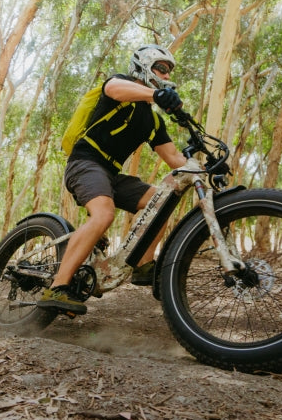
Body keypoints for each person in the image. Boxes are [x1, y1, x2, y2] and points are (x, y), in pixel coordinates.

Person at [37, 44, 188, 315]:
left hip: (111, 175)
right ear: (143, 67)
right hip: (84, 163)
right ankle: (57, 287)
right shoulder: (120, 86)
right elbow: (114, 89)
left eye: (168, 72)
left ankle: (143, 264)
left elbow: (175, 159)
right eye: (161, 69)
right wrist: (156, 94)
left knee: (162, 199)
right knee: (104, 214)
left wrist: (205, 168)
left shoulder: (153, 121)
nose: (166, 76)